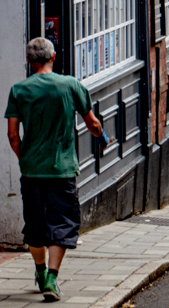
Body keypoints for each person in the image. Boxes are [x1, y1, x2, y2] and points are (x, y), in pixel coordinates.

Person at [6, 38, 112, 302]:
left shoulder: (19, 90)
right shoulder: (71, 85)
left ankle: (40, 272)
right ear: (53, 56)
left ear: (30, 62)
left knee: (35, 224)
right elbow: (92, 123)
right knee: (62, 222)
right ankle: (52, 278)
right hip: (62, 170)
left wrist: (25, 158)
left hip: (32, 171)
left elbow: (12, 135)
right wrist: (103, 138)